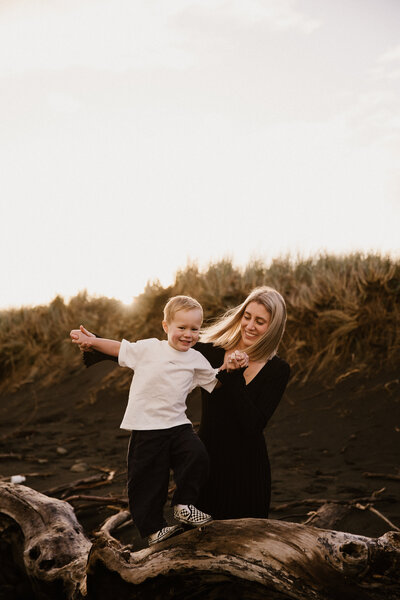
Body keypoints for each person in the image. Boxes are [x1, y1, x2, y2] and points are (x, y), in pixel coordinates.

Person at [70, 295, 247, 546]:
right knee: (147, 481)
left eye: (194, 329)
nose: (188, 334)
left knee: (197, 455)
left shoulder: (196, 359)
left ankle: (184, 504)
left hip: (177, 425)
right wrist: (92, 341)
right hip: (146, 428)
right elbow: (120, 348)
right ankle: (154, 530)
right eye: (181, 328)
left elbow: (216, 382)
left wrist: (231, 366)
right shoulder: (149, 348)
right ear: (166, 327)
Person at [194, 286, 290, 519]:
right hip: (206, 465)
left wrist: (234, 375)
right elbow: (156, 353)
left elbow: (253, 425)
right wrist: (98, 345)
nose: (249, 325)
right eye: (247, 317)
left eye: (260, 321)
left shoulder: (277, 370)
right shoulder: (211, 351)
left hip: (247, 473)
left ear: (273, 327)